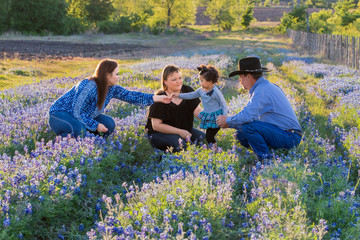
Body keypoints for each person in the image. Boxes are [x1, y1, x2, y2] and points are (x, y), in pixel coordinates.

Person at [49, 59, 171, 138]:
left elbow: (131, 96)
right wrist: (95, 125)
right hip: (61, 114)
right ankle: (54, 147)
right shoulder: (88, 86)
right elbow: (77, 112)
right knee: (79, 130)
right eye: (116, 74)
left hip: (83, 115)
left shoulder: (111, 87)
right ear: (107, 75)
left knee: (109, 124)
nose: (118, 77)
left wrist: (158, 98)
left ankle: (90, 144)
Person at [217, 56, 302, 161]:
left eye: (240, 76)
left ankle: (266, 161)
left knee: (249, 128)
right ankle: (274, 154)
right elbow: (249, 118)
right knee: (241, 135)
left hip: (290, 137)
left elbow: (248, 116)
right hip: (284, 133)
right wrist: (229, 123)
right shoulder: (264, 86)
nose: (239, 80)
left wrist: (228, 120)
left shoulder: (262, 90)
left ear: (248, 76)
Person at [145, 64, 206, 152]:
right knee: (180, 146)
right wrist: (179, 132)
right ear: (165, 81)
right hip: (160, 133)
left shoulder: (187, 91)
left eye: (180, 78)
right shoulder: (160, 97)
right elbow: (156, 126)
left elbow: (197, 110)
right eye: (174, 79)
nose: (179, 82)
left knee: (205, 140)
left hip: (184, 129)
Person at [172, 64, 228, 147]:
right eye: (199, 80)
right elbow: (191, 95)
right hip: (208, 115)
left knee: (209, 136)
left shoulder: (216, 92)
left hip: (216, 117)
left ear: (209, 81)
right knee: (209, 136)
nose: (199, 82)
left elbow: (223, 104)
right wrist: (179, 95)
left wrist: (225, 117)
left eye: (201, 81)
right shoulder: (201, 90)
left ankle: (214, 151)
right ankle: (213, 149)